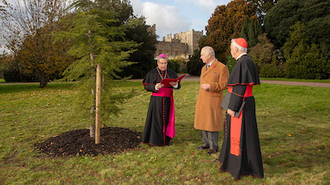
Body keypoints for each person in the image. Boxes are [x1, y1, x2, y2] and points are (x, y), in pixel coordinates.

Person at [217, 38, 264, 180]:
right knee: (245, 135)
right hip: (244, 102)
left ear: (236, 49)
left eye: (231, 47)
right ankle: (242, 163)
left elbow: (240, 88)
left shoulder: (243, 62)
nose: (230, 50)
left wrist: (232, 107)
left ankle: (239, 165)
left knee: (240, 135)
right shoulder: (245, 61)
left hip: (241, 104)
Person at [194, 46, 229, 155]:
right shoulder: (204, 68)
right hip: (203, 99)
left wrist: (211, 86)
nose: (201, 57)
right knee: (204, 121)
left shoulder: (222, 68)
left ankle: (213, 146)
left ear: (209, 55)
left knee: (212, 123)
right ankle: (206, 143)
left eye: (202, 55)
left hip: (213, 100)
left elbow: (225, 84)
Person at [142, 54, 181, 146]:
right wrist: (155, 86)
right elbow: (146, 86)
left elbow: (178, 86)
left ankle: (166, 140)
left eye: (165, 63)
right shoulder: (152, 73)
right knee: (156, 120)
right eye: (161, 63)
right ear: (158, 63)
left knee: (167, 119)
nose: (163, 65)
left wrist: (174, 84)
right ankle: (154, 140)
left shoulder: (171, 73)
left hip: (168, 99)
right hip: (156, 100)